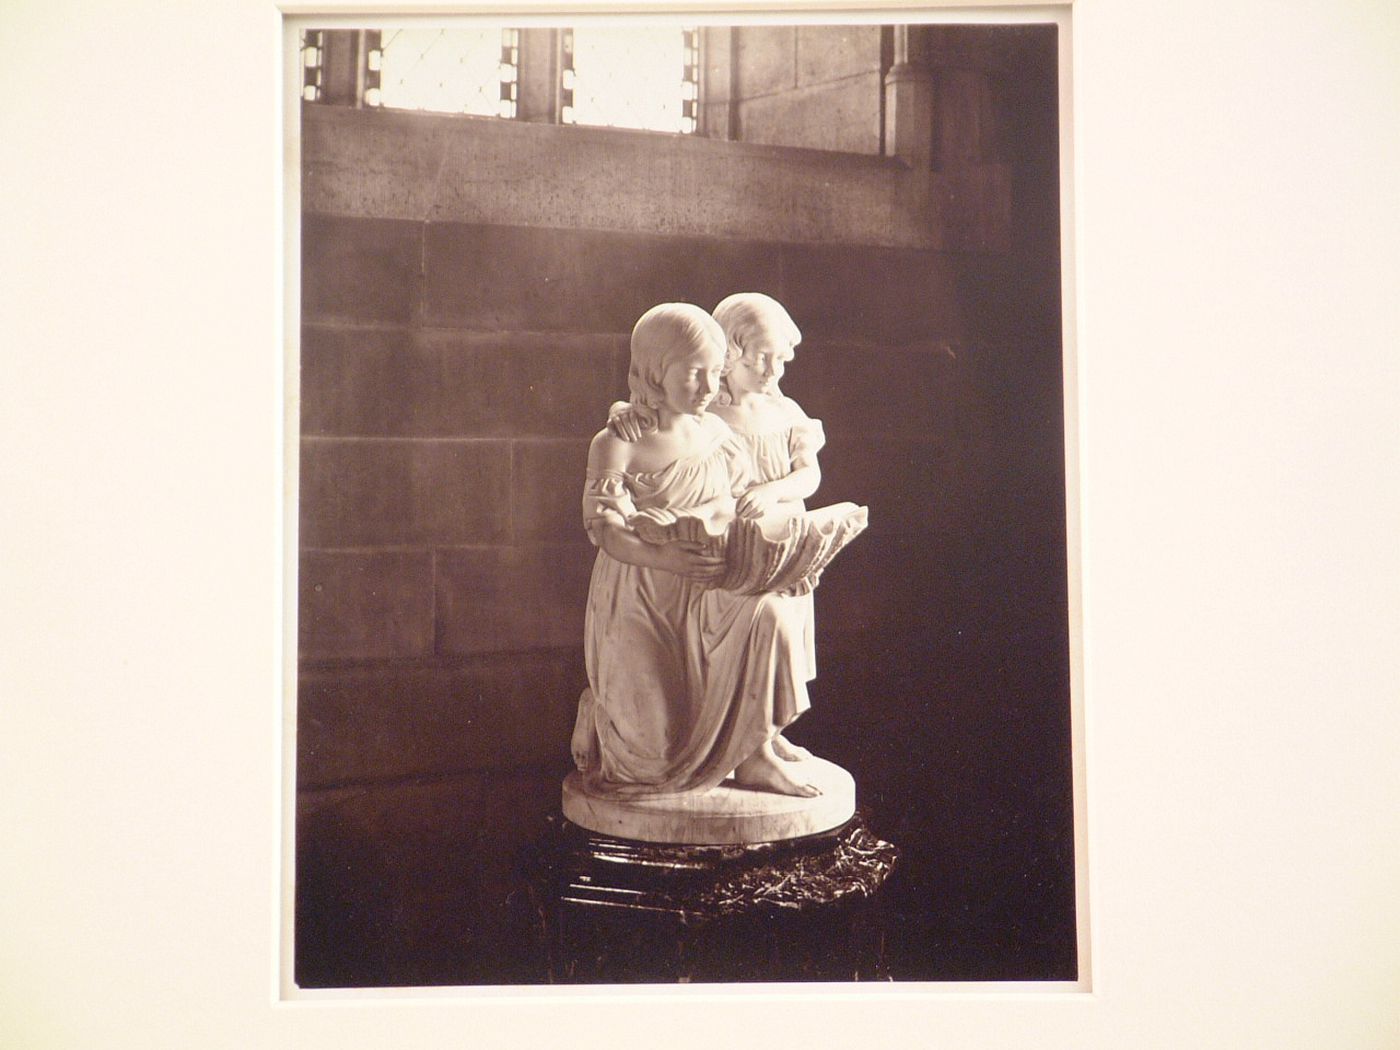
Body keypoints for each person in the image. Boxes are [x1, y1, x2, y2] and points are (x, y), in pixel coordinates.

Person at [572, 302, 821, 799]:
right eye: (694, 374)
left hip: (707, 589)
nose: (710, 388)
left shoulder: (716, 433)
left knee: (769, 614)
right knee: (649, 763)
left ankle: (758, 753)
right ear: (654, 371)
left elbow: (740, 509)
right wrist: (662, 557)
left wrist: (783, 560)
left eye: (715, 374)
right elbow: (602, 529)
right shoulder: (618, 442)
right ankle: (599, 707)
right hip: (642, 594)